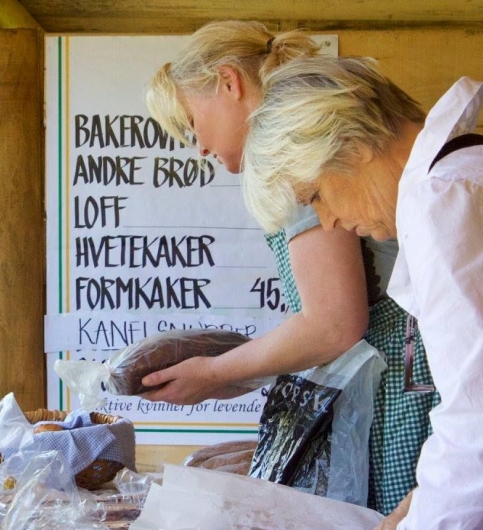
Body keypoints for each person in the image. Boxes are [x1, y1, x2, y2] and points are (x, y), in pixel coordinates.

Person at [142, 21, 437, 515]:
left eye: (194, 124)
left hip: (405, 386)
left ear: (229, 82)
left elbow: (333, 324)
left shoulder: (296, 153)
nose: (201, 149)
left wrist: (215, 373)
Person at [241, 55, 483, 529]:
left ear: (350, 146)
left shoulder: (440, 200)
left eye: (315, 196)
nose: (328, 221)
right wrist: (425, 497)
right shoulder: (465, 168)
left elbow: (477, 418)